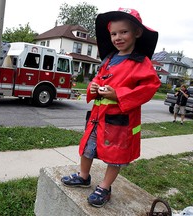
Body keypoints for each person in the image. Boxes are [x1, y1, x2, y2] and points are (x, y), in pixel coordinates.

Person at [61, 8, 161, 208]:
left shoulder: (141, 62)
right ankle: (83, 176)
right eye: (114, 34)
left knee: (116, 154)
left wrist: (119, 94)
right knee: (87, 147)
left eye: (124, 32)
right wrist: (93, 86)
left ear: (137, 33)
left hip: (120, 120)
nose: (118, 37)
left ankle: (105, 187)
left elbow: (150, 87)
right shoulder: (108, 58)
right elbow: (98, 78)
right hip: (98, 116)